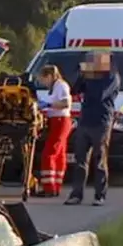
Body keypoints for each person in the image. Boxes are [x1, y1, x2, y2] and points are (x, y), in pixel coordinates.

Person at [65, 51, 120, 206]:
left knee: (99, 160)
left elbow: (99, 95)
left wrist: (90, 78)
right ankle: (76, 195)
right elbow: (74, 90)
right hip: (84, 121)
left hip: (101, 122)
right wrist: (81, 74)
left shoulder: (111, 77)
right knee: (80, 160)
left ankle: (99, 195)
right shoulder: (89, 76)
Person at [35, 65, 72, 197]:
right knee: (59, 154)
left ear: (50, 76)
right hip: (57, 120)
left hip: (60, 121)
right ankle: (55, 186)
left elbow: (66, 103)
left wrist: (48, 105)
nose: (43, 83)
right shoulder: (55, 87)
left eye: (43, 79)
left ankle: (49, 188)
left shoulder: (61, 86)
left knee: (49, 154)